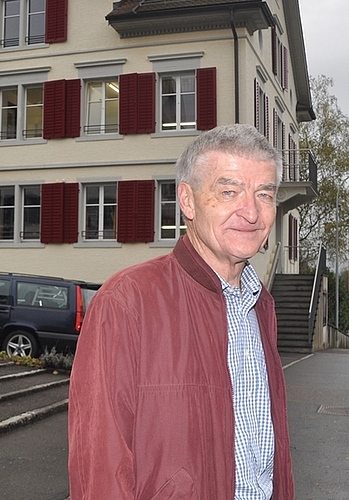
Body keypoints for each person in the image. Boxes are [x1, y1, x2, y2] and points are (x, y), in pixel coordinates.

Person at [68, 124, 294, 499]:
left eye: (264, 194)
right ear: (187, 201)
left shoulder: (260, 306)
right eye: (228, 191)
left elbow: (268, 460)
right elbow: (99, 469)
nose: (251, 212)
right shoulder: (127, 302)